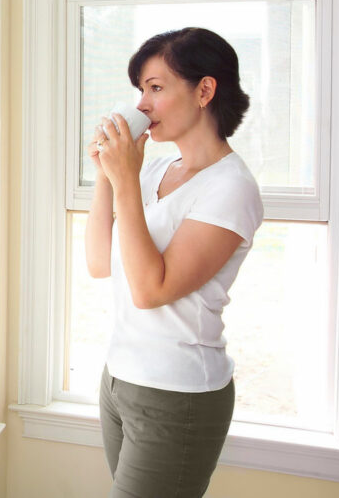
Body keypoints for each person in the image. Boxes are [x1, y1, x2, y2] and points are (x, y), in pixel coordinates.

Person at [86, 27, 263, 498]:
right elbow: (100, 262)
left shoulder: (231, 188)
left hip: (175, 394)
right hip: (120, 380)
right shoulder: (157, 172)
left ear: (204, 90)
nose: (142, 104)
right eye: (141, 90)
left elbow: (150, 290)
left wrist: (125, 181)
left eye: (156, 88)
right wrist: (107, 176)